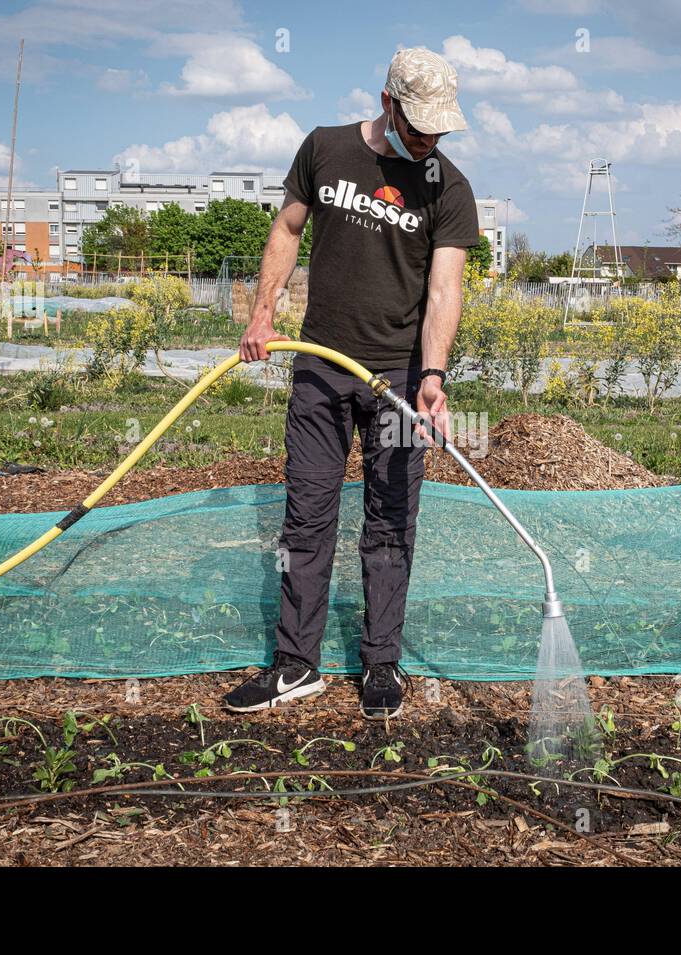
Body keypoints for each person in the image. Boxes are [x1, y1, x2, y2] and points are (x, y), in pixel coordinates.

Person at [222, 47, 480, 719]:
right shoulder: (326, 149)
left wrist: (432, 377)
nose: (429, 139)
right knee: (307, 515)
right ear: (387, 101)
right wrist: (261, 310)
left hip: (397, 377)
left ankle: (381, 665)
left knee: (391, 520)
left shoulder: (447, 187)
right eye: (419, 124)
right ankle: (295, 664)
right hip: (320, 365)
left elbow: (445, 287)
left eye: (438, 130)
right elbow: (286, 228)